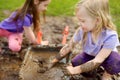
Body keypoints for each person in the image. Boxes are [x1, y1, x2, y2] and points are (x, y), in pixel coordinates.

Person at [49, 0, 120, 79]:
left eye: (82, 21)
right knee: (75, 62)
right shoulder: (82, 30)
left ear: (97, 20)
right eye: (79, 20)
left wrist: (74, 70)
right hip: (90, 55)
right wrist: (54, 60)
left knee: (115, 61)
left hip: (106, 57)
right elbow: (69, 46)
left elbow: (98, 59)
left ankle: (107, 74)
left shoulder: (110, 36)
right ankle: (91, 70)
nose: (79, 24)